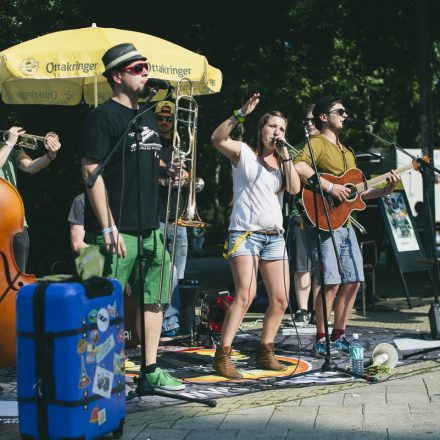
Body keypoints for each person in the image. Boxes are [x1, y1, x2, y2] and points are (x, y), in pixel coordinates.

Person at [81, 43, 184, 391]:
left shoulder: (148, 116)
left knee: (154, 298)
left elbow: (140, 160)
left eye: (145, 66)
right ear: (118, 76)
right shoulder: (102, 116)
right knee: (99, 305)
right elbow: (91, 169)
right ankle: (98, 375)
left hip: (150, 228)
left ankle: (150, 369)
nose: (145, 72)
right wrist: (107, 223)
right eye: (138, 68)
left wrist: (167, 170)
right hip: (111, 231)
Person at [293, 95, 399, 356]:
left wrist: (384, 191)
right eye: (339, 111)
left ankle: (339, 334)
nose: (345, 114)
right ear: (323, 117)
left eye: (345, 111)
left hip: (344, 222)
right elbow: (298, 166)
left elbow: (355, 195)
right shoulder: (316, 143)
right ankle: (321, 337)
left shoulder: (348, 152)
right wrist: (330, 186)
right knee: (330, 282)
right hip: (323, 220)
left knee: (353, 280)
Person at [210, 93, 301, 379]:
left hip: (274, 236)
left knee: (280, 299)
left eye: (282, 129)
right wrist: (240, 113)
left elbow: (296, 189)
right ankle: (222, 356)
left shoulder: (284, 163)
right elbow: (217, 138)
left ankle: (265, 351)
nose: (277, 132)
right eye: (272, 126)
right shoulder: (244, 154)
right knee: (246, 294)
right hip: (245, 234)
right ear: (261, 130)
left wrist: (286, 156)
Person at [0, 127, 61, 271]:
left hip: (15, 220)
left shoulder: (8, 145)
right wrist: (9, 143)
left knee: (18, 272)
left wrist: (50, 155)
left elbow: (31, 167)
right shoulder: (8, 144)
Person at [287, 106, 320, 325]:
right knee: (302, 265)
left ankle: (319, 308)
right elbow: (292, 184)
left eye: (312, 120)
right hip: (300, 212)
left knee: (322, 265)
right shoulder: (295, 150)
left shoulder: (330, 149)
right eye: (305, 121)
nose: (308, 124)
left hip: (327, 214)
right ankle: (302, 309)